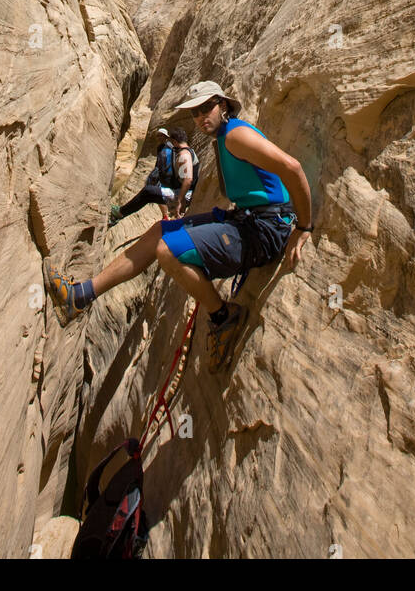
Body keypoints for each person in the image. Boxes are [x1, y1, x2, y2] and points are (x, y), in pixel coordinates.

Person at [44, 80, 313, 374]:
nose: (200, 117)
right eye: (195, 112)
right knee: (160, 231)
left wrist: (304, 226)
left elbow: (293, 168)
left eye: (206, 108)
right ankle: (80, 296)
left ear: (222, 105)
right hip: (248, 220)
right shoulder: (224, 137)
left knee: (168, 250)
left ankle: (223, 317)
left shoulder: (236, 136)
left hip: (266, 229)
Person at [110, 127, 199, 224]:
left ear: (174, 140)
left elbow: (188, 180)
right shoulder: (189, 151)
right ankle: (120, 214)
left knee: (148, 191)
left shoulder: (184, 155)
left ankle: (119, 213)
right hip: (183, 193)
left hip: (183, 195)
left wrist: (180, 201)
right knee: (152, 192)